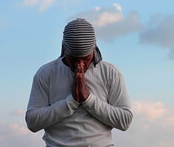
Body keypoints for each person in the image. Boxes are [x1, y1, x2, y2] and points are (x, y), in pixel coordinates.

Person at [25, 18, 132, 147]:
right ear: (64, 48)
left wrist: (88, 100)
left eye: (85, 58)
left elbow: (125, 121)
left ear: (94, 47)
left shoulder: (111, 72)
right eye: (74, 58)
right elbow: (32, 122)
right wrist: (71, 102)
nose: (80, 64)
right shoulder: (46, 73)